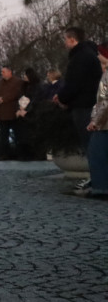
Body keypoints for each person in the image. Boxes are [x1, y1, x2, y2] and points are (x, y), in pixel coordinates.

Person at [54, 26, 102, 158]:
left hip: (84, 105)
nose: (64, 43)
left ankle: (97, 176)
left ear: (72, 39)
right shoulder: (88, 54)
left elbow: (74, 83)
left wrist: (62, 98)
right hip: (90, 103)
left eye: (66, 39)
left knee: (90, 144)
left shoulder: (80, 57)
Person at [79, 42, 108, 200]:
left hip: (104, 124)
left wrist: (95, 121)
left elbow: (104, 102)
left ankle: (101, 187)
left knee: (97, 153)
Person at [0, 65, 24, 159]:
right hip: (2, 113)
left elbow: (16, 93)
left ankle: (20, 153)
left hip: (13, 111)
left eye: (3, 71)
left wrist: (4, 99)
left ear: (9, 72)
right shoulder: (0, 83)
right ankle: (5, 154)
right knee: (3, 135)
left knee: (18, 134)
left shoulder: (18, 81)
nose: (2, 73)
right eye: (1, 72)